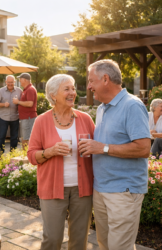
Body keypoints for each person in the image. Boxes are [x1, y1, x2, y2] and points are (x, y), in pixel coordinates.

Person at [79, 59, 150, 250]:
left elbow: (144, 149)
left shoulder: (132, 106)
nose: (89, 86)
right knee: (104, 244)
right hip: (101, 189)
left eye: (91, 81)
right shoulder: (102, 108)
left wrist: (102, 147)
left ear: (105, 79)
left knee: (119, 247)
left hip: (124, 191)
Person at [27, 74, 95, 250]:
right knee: (52, 238)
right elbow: (32, 156)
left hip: (83, 188)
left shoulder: (85, 119)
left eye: (73, 88)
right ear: (53, 95)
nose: (72, 92)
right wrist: (50, 152)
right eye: (67, 89)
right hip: (52, 187)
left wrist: (93, 147)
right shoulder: (41, 121)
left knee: (80, 239)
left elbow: (97, 148)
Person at [0, 75, 22, 157]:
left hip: (15, 117)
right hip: (4, 117)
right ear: (6, 82)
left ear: (14, 82)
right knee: (1, 137)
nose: (10, 84)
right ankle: (0, 156)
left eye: (12, 82)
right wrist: (3, 104)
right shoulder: (1, 91)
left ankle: (13, 155)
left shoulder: (19, 91)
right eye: (8, 82)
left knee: (14, 137)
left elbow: (22, 103)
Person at [13, 73, 37, 149]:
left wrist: (18, 102)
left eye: (20, 79)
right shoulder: (27, 89)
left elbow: (30, 103)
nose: (19, 80)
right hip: (26, 117)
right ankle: (26, 155)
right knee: (25, 137)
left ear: (25, 80)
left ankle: (26, 156)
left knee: (26, 138)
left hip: (28, 117)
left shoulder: (30, 89)